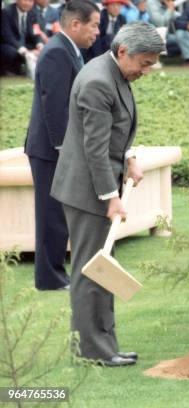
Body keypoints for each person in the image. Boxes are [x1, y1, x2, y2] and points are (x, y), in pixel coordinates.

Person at [51, 22, 165, 366]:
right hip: (87, 191)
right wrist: (109, 196)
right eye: (144, 63)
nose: (146, 71)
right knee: (91, 270)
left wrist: (129, 159)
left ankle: (103, 343)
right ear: (122, 52)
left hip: (96, 186)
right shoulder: (98, 81)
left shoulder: (115, 72)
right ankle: (94, 351)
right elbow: (95, 149)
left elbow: (117, 130)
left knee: (103, 266)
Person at [24, 0, 100, 291]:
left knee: (58, 214)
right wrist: (63, 149)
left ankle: (56, 274)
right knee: (50, 215)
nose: (97, 31)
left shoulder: (68, 49)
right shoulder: (57, 52)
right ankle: (49, 278)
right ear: (75, 24)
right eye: (93, 25)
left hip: (57, 149)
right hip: (50, 151)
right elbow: (54, 106)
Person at [0, 0, 44, 76]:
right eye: (25, 0)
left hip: (26, 43)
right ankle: (11, 71)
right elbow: (7, 36)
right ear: (17, 1)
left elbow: (36, 32)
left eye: (30, 1)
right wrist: (24, 50)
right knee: (11, 52)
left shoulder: (34, 13)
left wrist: (39, 45)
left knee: (43, 50)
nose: (27, 3)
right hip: (10, 44)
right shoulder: (6, 12)